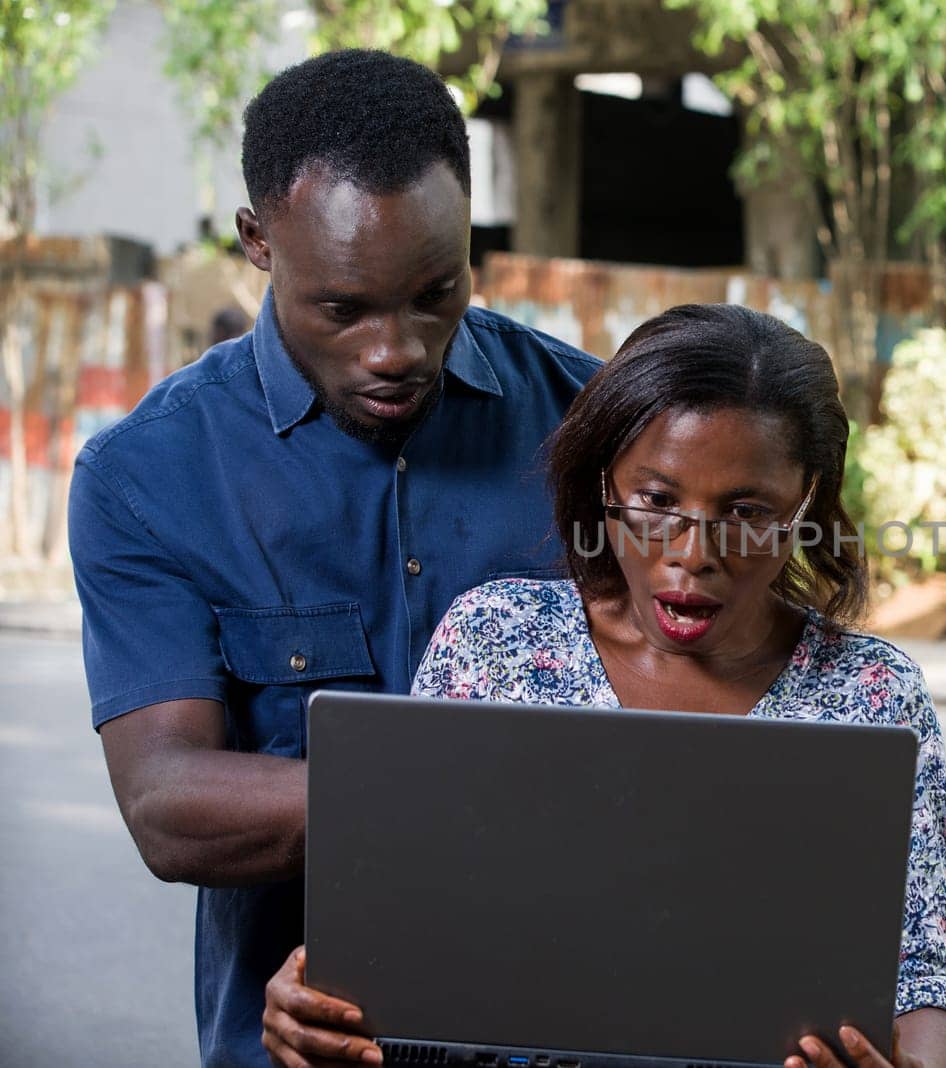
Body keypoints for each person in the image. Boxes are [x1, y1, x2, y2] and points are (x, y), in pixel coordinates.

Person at [261, 303, 946, 1068]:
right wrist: (314, 1009)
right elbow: (401, 932)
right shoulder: (494, 639)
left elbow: (921, 978)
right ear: (605, 480)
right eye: (658, 500)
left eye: (747, 511)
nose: (692, 553)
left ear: (806, 507)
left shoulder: (873, 692)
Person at [67, 50, 598, 1068]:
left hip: (570, 1040)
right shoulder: (148, 477)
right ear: (259, 243)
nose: (396, 347)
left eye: (434, 293)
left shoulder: (603, 428)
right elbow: (167, 803)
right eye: (344, 308)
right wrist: (482, 791)